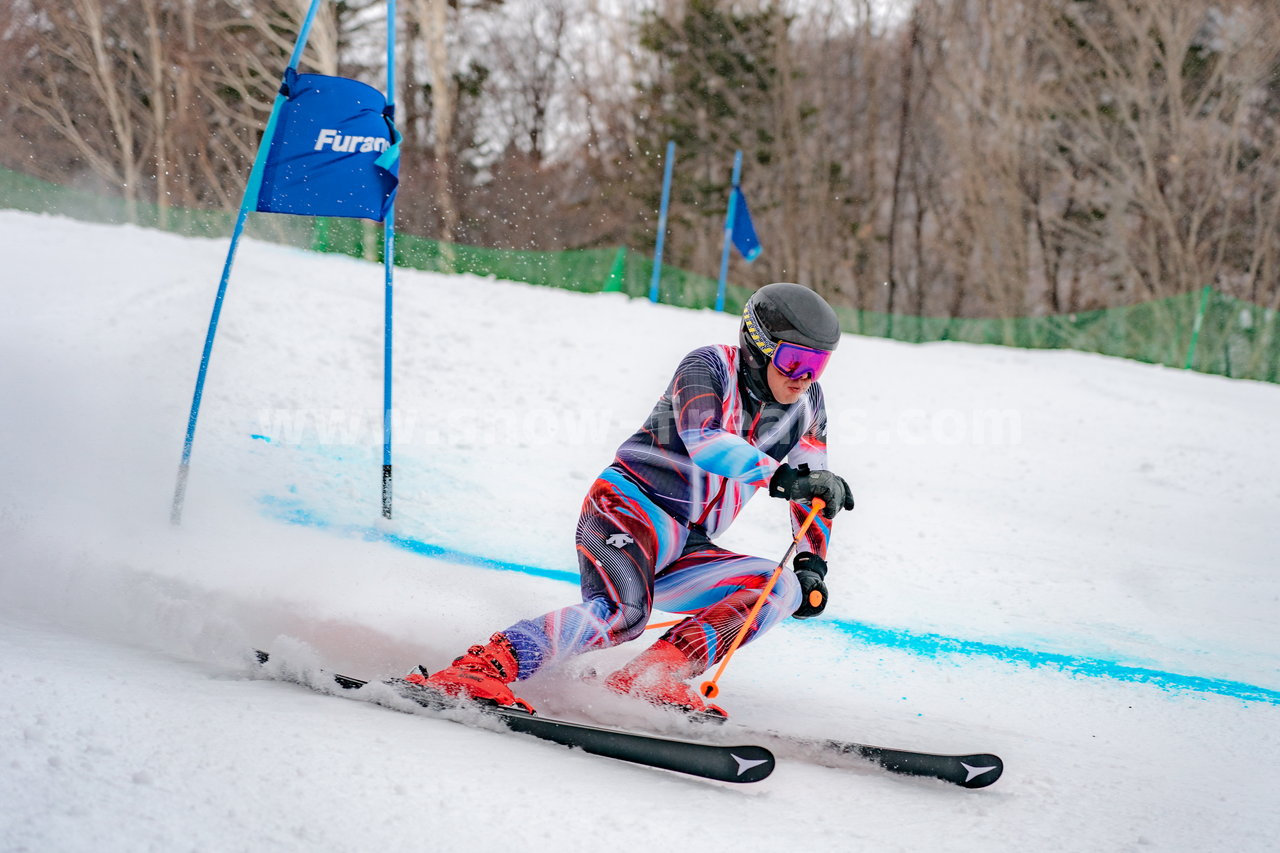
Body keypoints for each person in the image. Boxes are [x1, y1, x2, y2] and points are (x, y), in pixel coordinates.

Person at [406, 282, 855, 717]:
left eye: (818, 365)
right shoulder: (709, 365)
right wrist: (783, 479)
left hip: (688, 542)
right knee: (623, 614)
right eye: (795, 361)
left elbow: (811, 485)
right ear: (758, 347)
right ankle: (477, 669)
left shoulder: (809, 403)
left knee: (776, 587)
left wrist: (811, 565)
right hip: (626, 510)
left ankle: (651, 678)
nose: (804, 378)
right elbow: (704, 439)